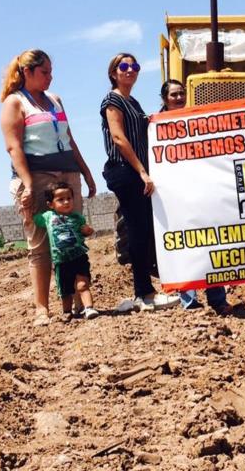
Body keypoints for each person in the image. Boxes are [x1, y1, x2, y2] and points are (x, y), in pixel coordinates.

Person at [0, 49, 97, 326]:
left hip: (68, 173)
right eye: (44, 73)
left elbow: (69, 138)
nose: (50, 78)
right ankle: (41, 308)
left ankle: (79, 302)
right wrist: (28, 184)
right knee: (41, 244)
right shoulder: (14, 103)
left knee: (74, 237)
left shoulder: (55, 100)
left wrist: (86, 172)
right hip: (38, 177)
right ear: (27, 72)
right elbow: (13, 146)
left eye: (51, 72)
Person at [159, 80, 230, 313]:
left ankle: (217, 299)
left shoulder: (197, 120)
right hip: (174, 194)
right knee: (184, 244)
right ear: (165, 99)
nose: (179, 98)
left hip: (201, 190)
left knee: (212, 241)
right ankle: (189, 300)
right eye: (173, 95)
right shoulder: (156, 127)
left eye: (181, 94)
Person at [100, 53, 159, 311]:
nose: (130, 70)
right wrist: (142, 172)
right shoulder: (112, 100)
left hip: (137, 171)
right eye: (124, 66)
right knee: (136, 229)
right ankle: (141, 292)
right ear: (114, 72)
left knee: (145, 229)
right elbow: (119, 138)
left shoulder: (133, 101)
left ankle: (147, 288)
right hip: (125, 171)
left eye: (134, 66)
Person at [34, 182, 100, 321]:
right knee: (65, 290)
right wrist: (27, 210)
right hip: (61, 261)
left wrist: (88, 231)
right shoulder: (47, 217)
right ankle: (67, 311)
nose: (66, 202)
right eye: (60, 199)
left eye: (69, 198)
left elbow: (84, 231)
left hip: (79, 257)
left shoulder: (77, 218)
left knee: (82, 285)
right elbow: (34, 219)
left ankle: (88, 308)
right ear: (50, 204)